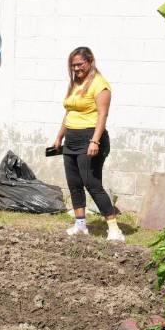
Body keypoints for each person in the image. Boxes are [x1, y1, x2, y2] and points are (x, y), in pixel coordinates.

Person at [52, 46, 122, 241]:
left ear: (90, 61)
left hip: (90, 138)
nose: (76, 69)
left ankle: (114, 229)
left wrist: (95, 141)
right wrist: (59, 137)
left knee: (92, 183)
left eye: (79, 64)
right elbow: (69, 113)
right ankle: (81, 225)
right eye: (73, 65)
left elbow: (103, 115)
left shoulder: (100, 85)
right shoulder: (75, 83)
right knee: (74, 183)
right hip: (71, 140)